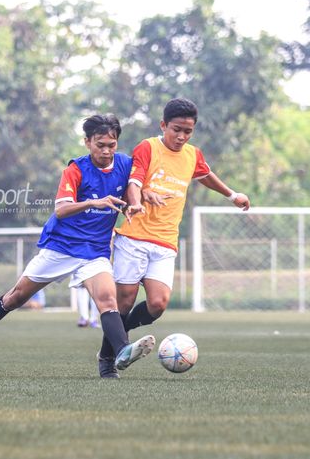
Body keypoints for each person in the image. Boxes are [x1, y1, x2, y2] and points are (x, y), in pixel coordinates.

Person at [0, 114, 155, 377]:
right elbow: (61, 210)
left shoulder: (125, 164)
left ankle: (122, 352)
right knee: (15, 297)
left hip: (95, 250)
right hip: (60, 247)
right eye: (100, 144)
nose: (106, 150)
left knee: (107, 300)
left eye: (111, 145)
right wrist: (93, 202)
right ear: (87, 142)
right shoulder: (76, 170)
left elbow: (133, 189)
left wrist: (139, 197)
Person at [95, 98, 250, 378]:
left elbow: (205, 174)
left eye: (188, 131)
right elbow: (134, 181)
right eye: (176, 129)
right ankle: (108, 359)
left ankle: (122, 330)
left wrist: (232, 195)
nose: (181, 136)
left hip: (165, 242)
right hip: (134, 237)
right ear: (163, 125)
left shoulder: (192, 154)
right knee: (125, 301)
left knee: (158, 304)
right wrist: (137, 201)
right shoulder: (148, 147)